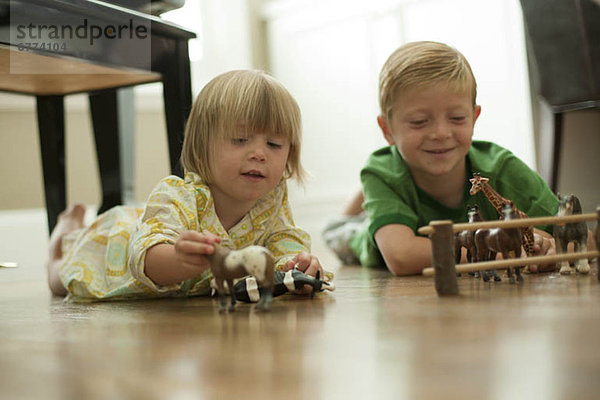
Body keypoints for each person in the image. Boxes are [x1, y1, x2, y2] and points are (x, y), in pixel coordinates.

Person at [47, 69, 329, 299]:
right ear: (202, 146)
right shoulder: (177, 195)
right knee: (60, 279)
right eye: (240, 140)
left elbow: (282, 240)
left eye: (274, 144)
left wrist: (294, 265)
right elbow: (144, 254)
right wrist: (175, 260)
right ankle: (62, 236)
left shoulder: (271, 199)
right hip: (112, 252)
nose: (259, 153)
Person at [323, 41, 559, 276]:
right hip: (361, 237)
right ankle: (365, 192)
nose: (441, 133)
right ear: (387, 130)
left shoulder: (500, 167)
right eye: (419, 122)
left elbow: (578, 236)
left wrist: (551, 247)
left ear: (474, 118)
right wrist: (504, 253)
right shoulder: (382, 172)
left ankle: (371, 196)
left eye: (457, 118)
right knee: (336, 231)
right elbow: (402, 257)